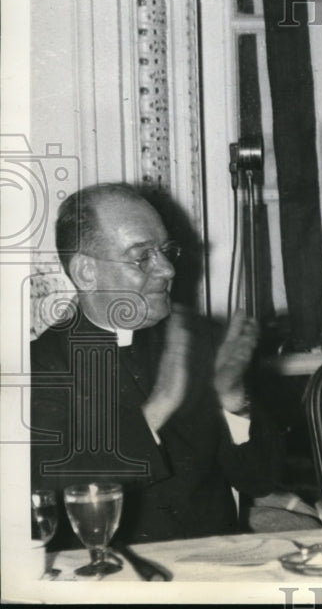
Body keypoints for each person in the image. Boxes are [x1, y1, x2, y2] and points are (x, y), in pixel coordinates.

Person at [31, 183, 284, 545]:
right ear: (86, 272)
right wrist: (158, 407)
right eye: (141, 256)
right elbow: (45, 492)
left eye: (166, 251)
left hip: (216, 569)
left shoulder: (200, 342)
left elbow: (260, 479)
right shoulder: (40, 367)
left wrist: (233, 399)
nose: (166, 269)